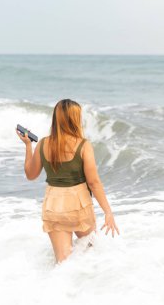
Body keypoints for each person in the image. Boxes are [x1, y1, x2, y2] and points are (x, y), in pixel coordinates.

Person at [16, 99, 120, 264]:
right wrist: (108, 211)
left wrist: (28, 146)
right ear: (74, 119)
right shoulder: (83, 145)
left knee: (63, 263)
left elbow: (31, 174)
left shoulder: (43, 143)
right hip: (78, 205)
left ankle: (59, 287)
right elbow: (93, 182)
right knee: (90, 255)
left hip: (53, 206)